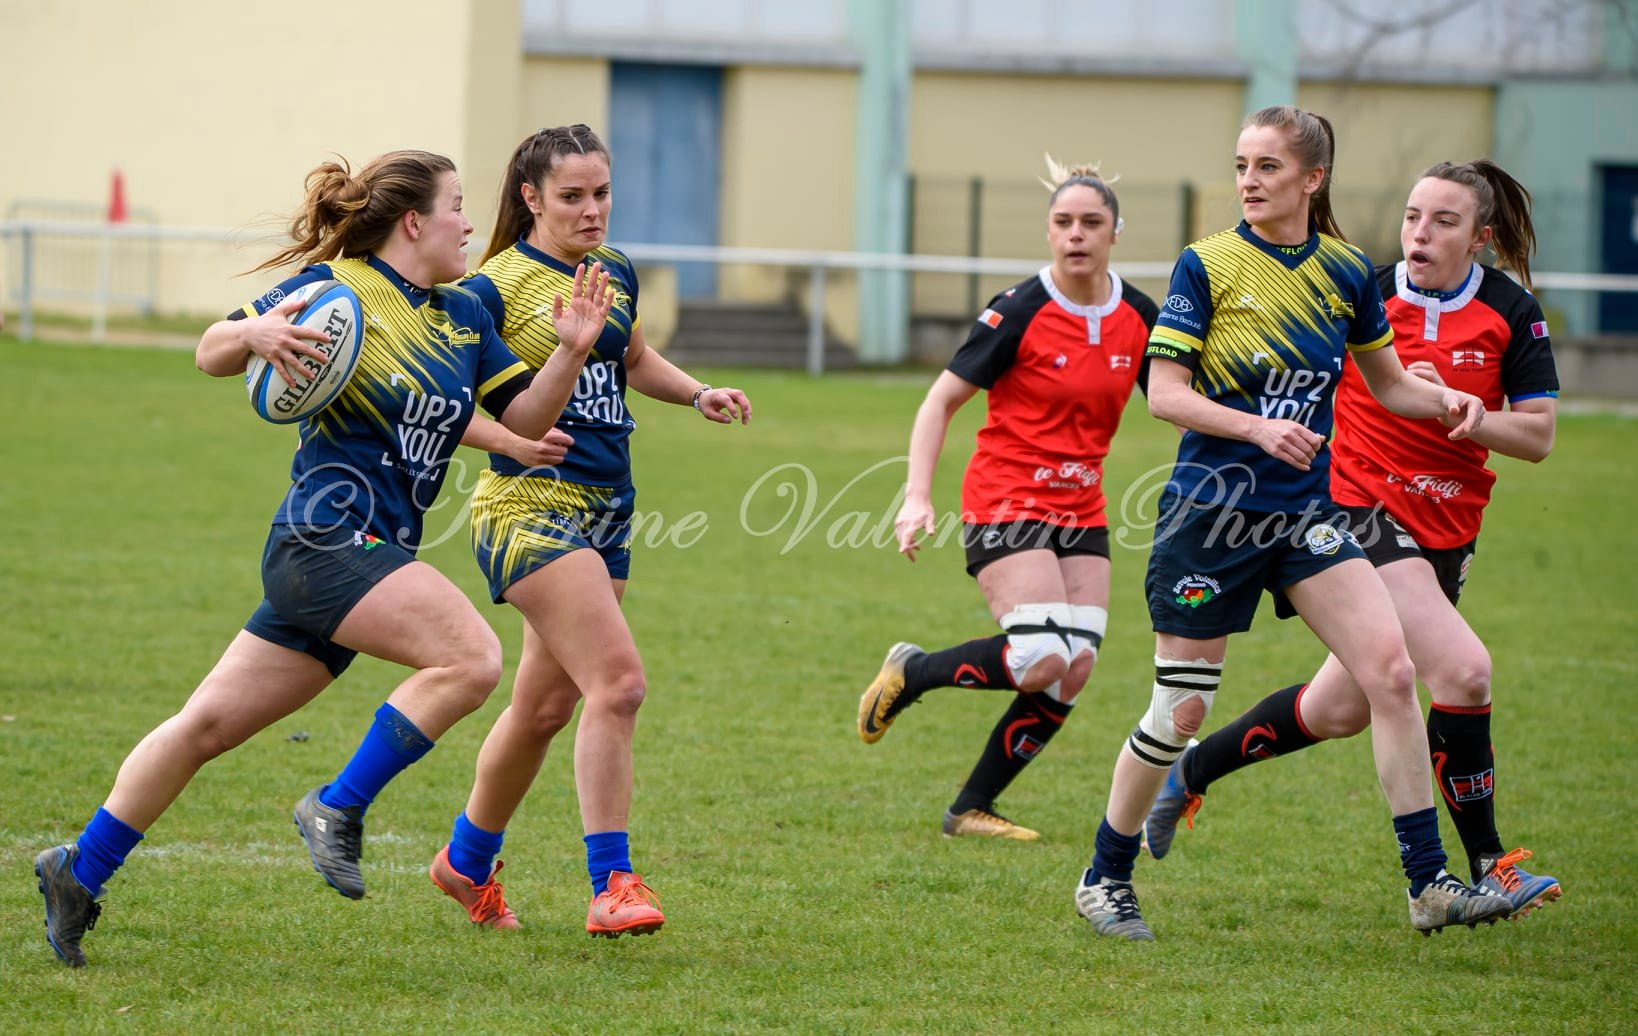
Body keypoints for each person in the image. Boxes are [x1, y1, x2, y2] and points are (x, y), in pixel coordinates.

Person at [34, 149, 614, 967]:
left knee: (203, 727)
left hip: (358, 560)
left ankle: (77, 870)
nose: (469, 223)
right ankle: (337, 807)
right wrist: (255, 330)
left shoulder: (463, 318)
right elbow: (209, 350)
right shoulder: (339, 287)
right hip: (329, 535)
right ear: (415, 221)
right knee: (471, 657)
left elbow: (521, 417)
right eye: (456, 206)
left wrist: (569, 351)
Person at [1070, 106, 1511, 941]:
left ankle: (1429, 885)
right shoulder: (1208, 264)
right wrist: (1255, 427)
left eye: (1268, 167)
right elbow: (1164, 394)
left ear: (1313, 179)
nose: (1248, 181)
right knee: (1181, 714)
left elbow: (1386, 384)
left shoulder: (1346, 272)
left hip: (1304, 516)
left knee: (1389, 670)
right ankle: (1104, 874)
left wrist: (1451, 400)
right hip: (1213, 517)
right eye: (1242, 164)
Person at [1142, 159, 1562, 919]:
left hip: (1445, 534)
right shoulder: (1356, 288)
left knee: (1343, 708)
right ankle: (1489, 865)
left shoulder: (1511, 310)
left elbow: (1537, 437)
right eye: (1411, 216)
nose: (1420, 233)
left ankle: (1191, 771)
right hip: (1355, 513)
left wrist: (1473, 418)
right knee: (1463, 672)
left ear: (1481, 238)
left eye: (1443, 221)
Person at [425, 124, 751, 937]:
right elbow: (442, 399)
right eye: (573, 196)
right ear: (530, 198)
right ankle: (612, 884)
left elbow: (634, 357)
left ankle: (464, 862)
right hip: (528, 507)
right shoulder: (491, 288)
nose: (593, 210)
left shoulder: (614, 273)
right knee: (621, 683)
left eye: (601, 193)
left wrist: (696, 390)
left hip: (609, 511)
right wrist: (509, 431)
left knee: (542, 709)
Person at [855, 156, 1159, 840]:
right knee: (1039, 657)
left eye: (1091, 222)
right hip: (1008, 499)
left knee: (1074, 667)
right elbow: (940, 402)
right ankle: (915, 670)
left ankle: (970, 808)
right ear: (1048, 231)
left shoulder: (1140, 316)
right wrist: (915, 497)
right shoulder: (1020, 308)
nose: (1076, 235)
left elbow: (1175, 399)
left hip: (1082, 509)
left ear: (1116, 232)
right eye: (1062, 222)